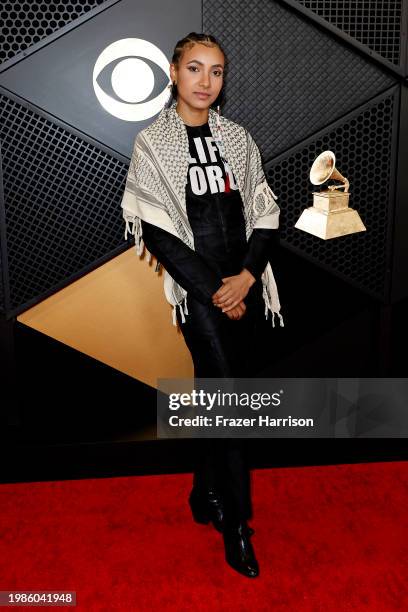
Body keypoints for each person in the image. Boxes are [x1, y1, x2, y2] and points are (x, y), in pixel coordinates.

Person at [120, 32, 283, 578]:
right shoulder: (153, 142)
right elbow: (160, 235)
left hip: (246, 282)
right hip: (201, 292)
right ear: (172, 72)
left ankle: (200, 494)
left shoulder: (236, 137)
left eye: (216, 71)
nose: (206, 81)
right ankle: (237, 525)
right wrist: (217, 289)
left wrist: (247, 276)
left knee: (219, 395)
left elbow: (264, 210)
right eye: (195, 69)